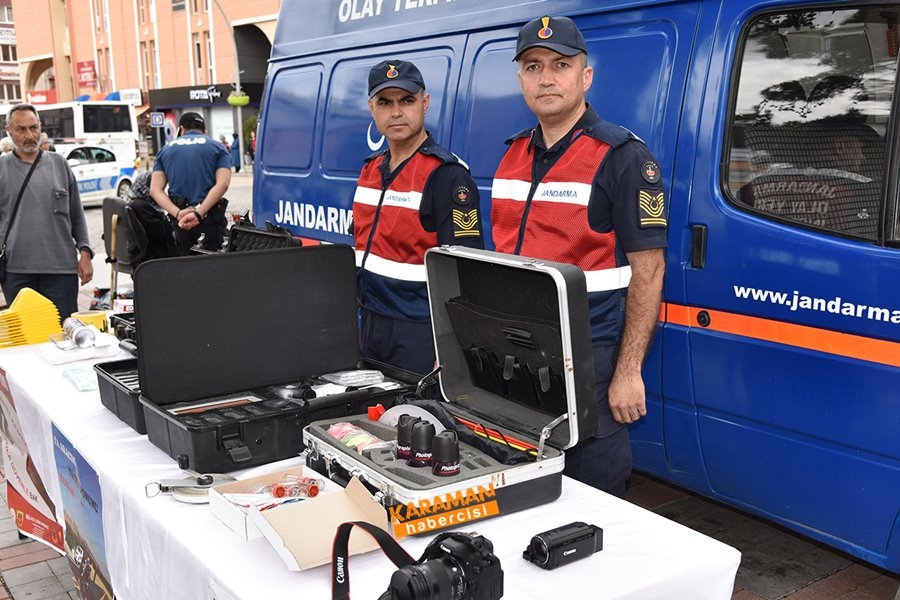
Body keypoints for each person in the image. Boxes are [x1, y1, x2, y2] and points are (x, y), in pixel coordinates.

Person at [491, 16, 667, 497]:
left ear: (584, 77)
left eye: (561, 65)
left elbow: (649, 273)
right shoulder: (511, 156)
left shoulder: (623, 157)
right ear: (521, 79)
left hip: (590, 362)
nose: (546, 77)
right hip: (520, 360)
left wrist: (628, 373)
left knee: (594, 500)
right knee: (527, 495)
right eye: (533, 66)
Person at [354, 59, 484, 376]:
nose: (396, 112)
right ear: (372, 108)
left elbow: (465, 271)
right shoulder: (370, 170)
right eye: (385, 102)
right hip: (369, 323)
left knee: (415, 421)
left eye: (407, 100)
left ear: (424, 103)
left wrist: (452, 347)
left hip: (419, 333)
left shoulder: (447, 175)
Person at [0, 103, 94, 321]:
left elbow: (77, 215)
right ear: (9, 132)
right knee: (26, 338)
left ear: (41, 127)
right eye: (21, 129)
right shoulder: (2, 169)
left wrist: (86, 254)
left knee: (64, 333)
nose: (29, 135)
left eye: (33, 128)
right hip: (16, 271)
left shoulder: (60, 164)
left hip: (61, 270)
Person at [150, 112, 231, 255]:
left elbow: (155, 190)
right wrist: (199, 214)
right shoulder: (217, 147)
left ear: (181, 129)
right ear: (204, 131)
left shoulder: (165, 150)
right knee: (213, 269)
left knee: (185, 268)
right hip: (209, 220)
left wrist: (178, 213)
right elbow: (223, 183)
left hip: (180, 222)